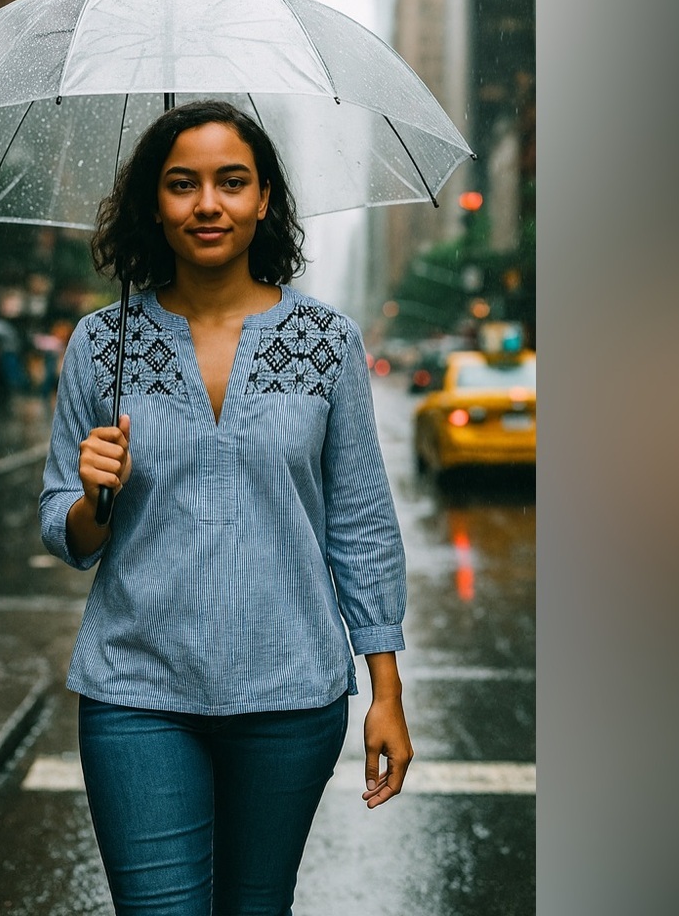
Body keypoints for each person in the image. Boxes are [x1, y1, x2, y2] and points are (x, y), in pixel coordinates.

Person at [39, 100, 412, 916]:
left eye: (231, 182)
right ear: (154, 204)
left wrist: (383, 685)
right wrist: (94, 497)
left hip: (291, 697)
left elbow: (360, 522)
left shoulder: (327, 342)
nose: (208, 204)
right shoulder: (104, 344)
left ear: (264, 199)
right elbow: (64, 527)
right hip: (136, 692)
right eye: (182, 185)